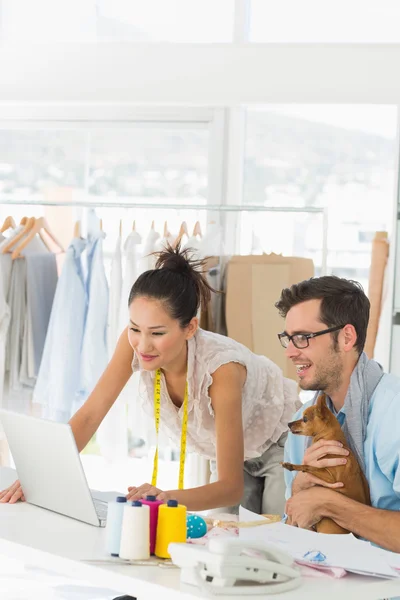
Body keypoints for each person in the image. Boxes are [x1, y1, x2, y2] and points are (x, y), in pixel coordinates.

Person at [0, 244, 299, 514]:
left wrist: (163, 497)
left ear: (190, 327)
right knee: (227, 543)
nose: (143, 345)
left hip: (280, 445)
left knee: (276, 541)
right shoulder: (133, 344)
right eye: (135, 328)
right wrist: (39, 475)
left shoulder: (221, 371)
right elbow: (91, 414)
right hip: (227, 452)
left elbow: (230, 488)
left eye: (157, 333)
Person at [275, 275, 400, 552]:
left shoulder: (394, 413)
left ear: (346, 337)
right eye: (288, 339)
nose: (291, 352)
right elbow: (293, 533)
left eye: (303, 338)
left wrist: (329, 503)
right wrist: (300, 493)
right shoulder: (302, 427)